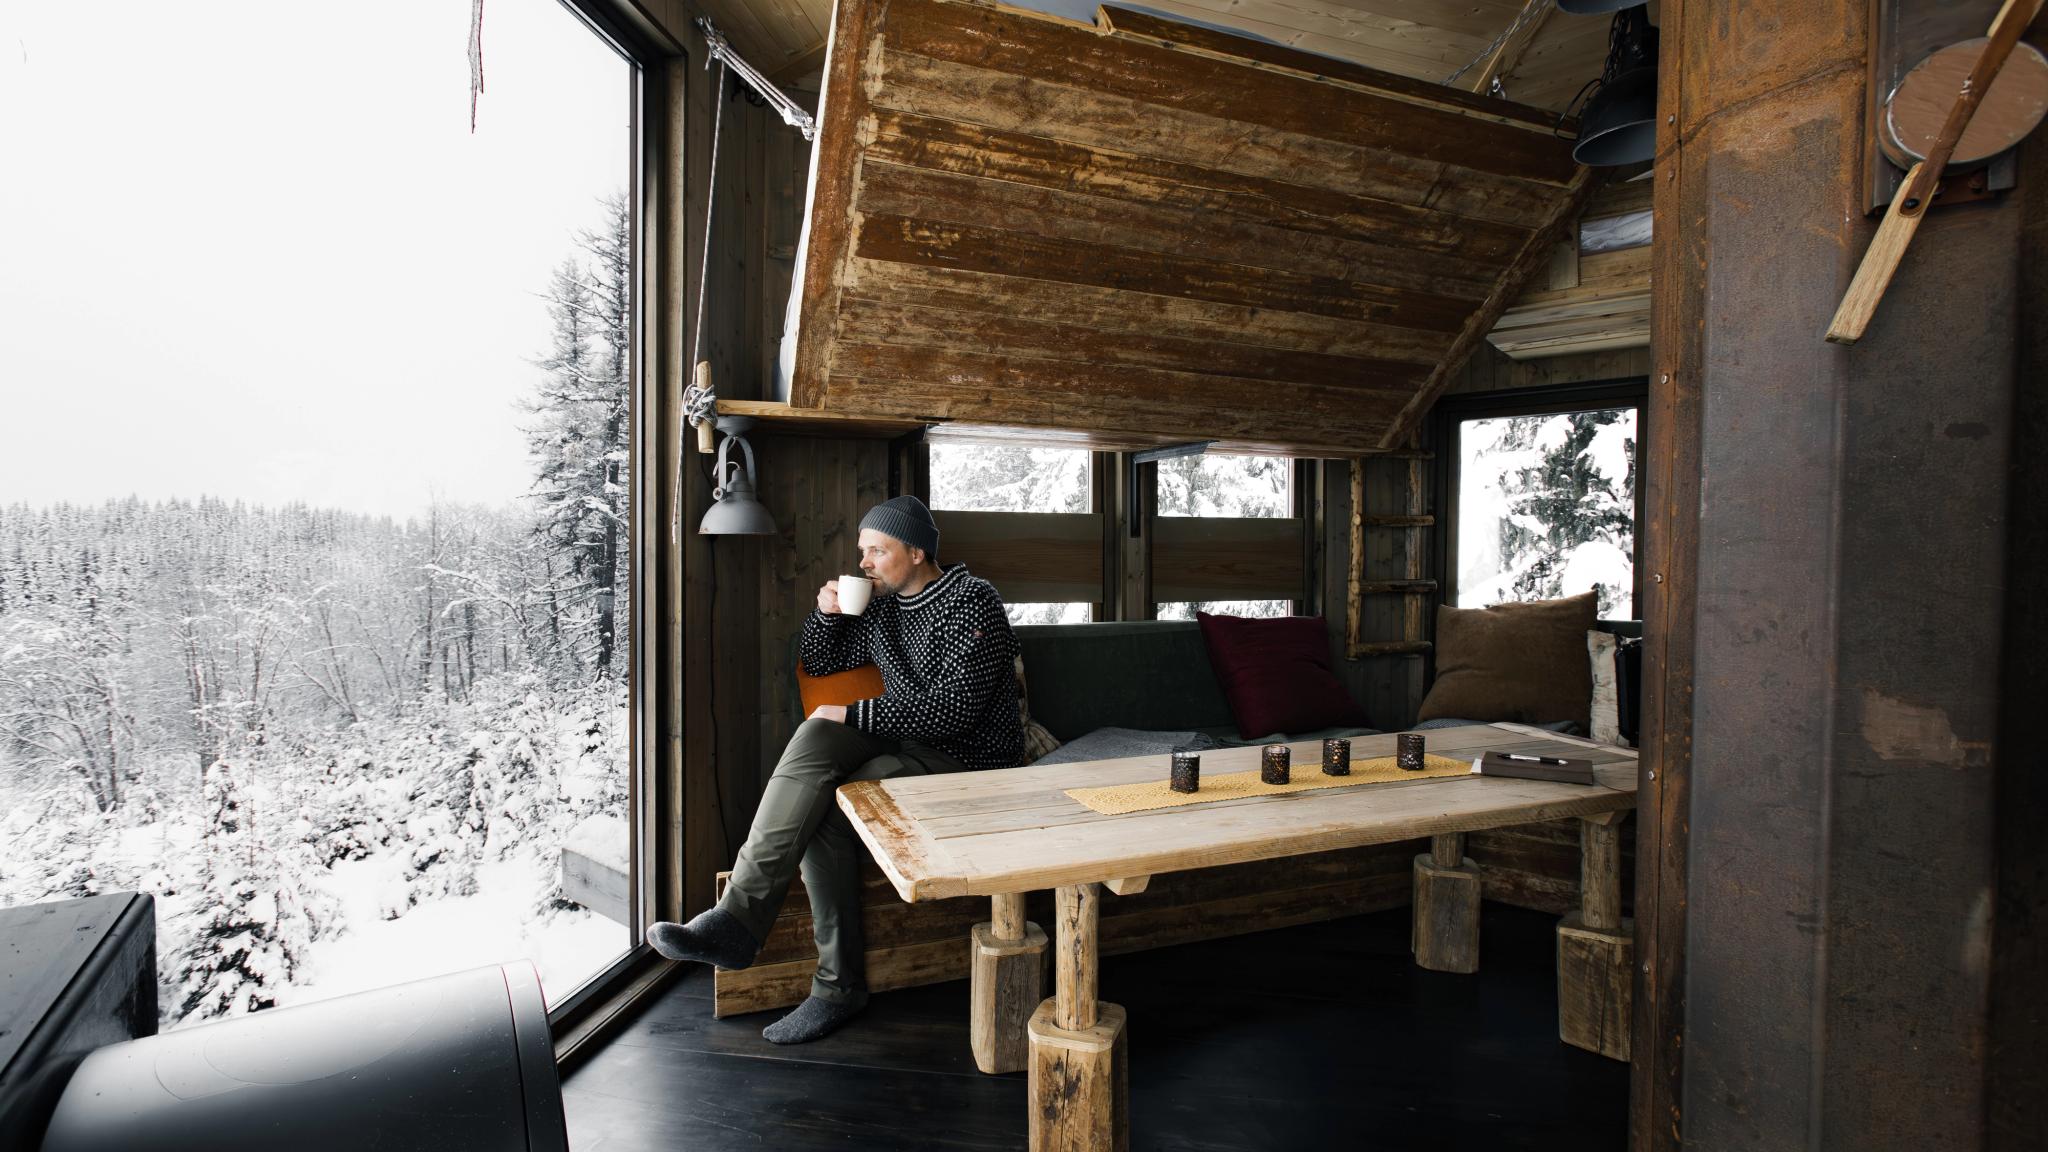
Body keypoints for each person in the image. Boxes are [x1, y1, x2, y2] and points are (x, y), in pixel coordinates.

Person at [644, 494, 1024, 1043]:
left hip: (971, 760)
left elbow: (956, 708)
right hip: (907, 740)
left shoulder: (972, 599)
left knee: (835, 795)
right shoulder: (883, 607)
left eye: (877, 551)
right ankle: (736, 921)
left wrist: (854, 712)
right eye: (862, 551)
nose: (864, 563)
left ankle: (835, 988)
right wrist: (826, 615)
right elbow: (822, 662)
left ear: (917, 552)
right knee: (819, 738)